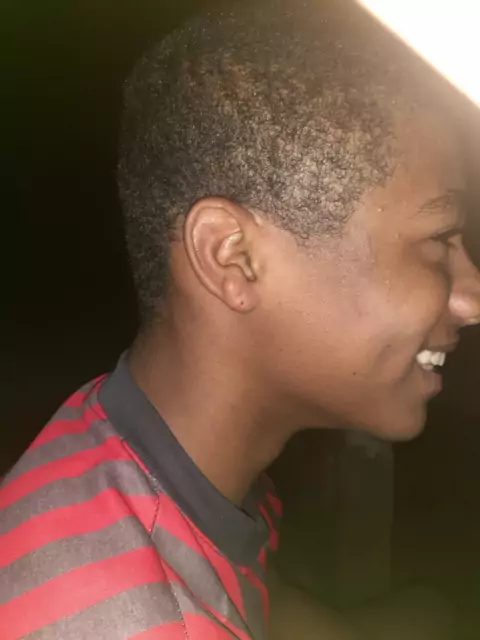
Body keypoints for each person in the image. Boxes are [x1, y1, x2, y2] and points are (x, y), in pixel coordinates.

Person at [2, 0, 480, 638]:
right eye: (440, 239)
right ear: (233, 258)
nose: (471, 298)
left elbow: (264, 604)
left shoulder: (136, 438)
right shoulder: (137, 621)